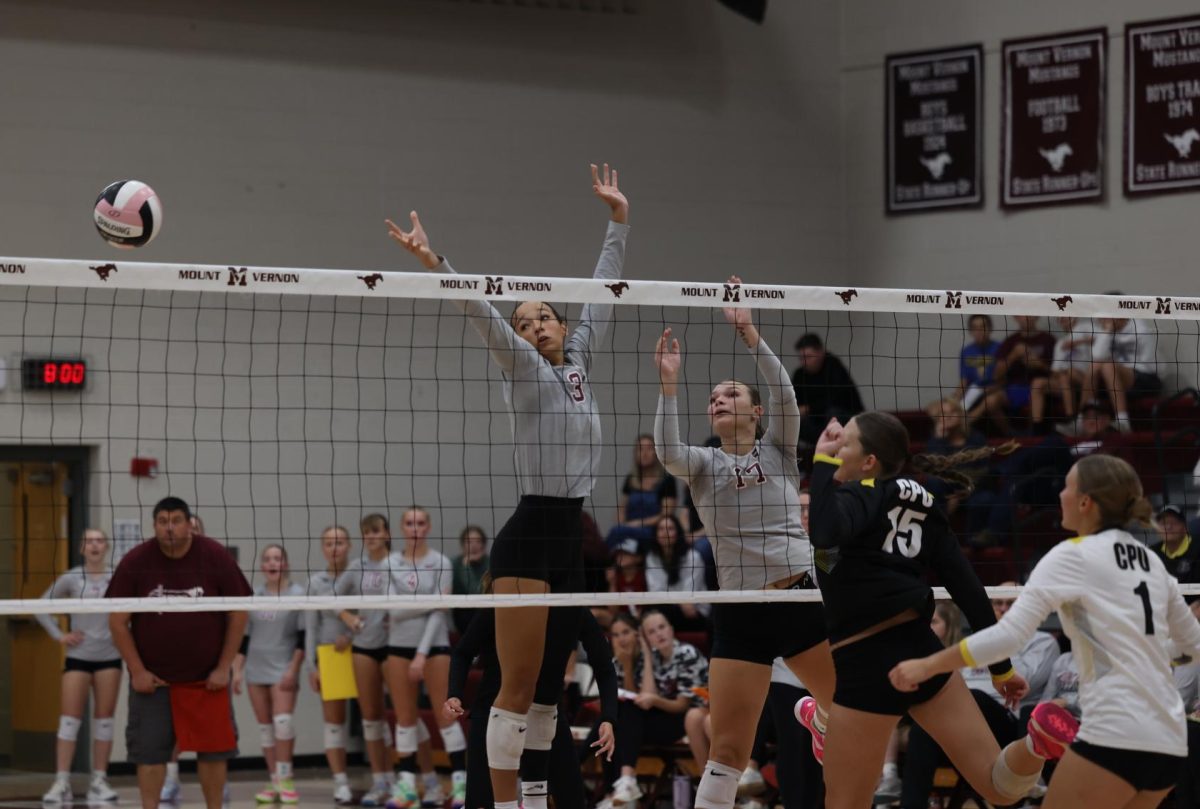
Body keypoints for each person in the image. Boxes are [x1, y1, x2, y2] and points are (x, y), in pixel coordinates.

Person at [387, 162, 628, 809]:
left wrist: (618, 221)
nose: (539, 324)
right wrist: (437, 261)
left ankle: (535, 797)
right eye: (528, 321)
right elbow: (480, 312)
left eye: (546, 315)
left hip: (569, 537)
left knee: (549, 689)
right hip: (527, 538)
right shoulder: (521, 368)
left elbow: (604, 294)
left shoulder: (577, 363)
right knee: (516, 688)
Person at [891, 453, 1200, 808]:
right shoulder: (1152, 562)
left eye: (1067, 486)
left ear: (1085, 502)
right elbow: (1191, 646)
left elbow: (1008, 637)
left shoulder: (1072, 556)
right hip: (1170, 740)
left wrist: (928, 665)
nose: (1060, 495)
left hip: (1118, 730)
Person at [806, 413, 1073, 809]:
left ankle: (821, 718)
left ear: (869, 462)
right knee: (999, 787)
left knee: (845, 803)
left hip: (867, 663)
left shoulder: (859, 493)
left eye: (844, 442)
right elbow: (968, 588)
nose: (834, 445)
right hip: (923, 650)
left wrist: (822, 464)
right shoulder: (924, 503)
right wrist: (1001, 668)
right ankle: (1035, 744)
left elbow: (824, 532)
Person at [653, 291, 836, 809]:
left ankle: (820, 720)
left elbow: (784, 393)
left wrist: (750, 335)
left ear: (755, 411)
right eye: (712, 397)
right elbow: (666, 453)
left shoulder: (779, 448)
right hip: (741, 610)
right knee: (729, 746)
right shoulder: (702, 463)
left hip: (799, 599)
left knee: (845, 704)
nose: (717, 400)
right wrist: (669, 385)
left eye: (729, 394)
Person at [105, 497, 251, 809]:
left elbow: (239, 613)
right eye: (162, 521)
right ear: (154, 525)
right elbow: (117, 622)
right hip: (155, 683)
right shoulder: (136, 561)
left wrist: (225, 667)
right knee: (150, 755)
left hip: (207, 680)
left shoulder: (214, 556)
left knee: (214, 753)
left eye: (176, 521)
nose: (169, 528)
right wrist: (137, 671)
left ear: (189, 524)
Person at [445, 601, 617, 809]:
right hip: (493, 712)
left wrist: (608, 717)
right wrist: (454, 693)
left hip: (546, 711)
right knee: (480, 802)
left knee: (571, 799)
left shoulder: (572, 607)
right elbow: (463, 652)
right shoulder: (504, 603)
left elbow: (604, 665)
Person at [37, 528, 121, 805]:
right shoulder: (73, 577)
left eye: (99, 540)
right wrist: (60, 636)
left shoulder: (117, 577)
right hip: (79, 657)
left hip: (109, 657)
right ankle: (61, 781)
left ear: (106, 547)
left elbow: (132, 610)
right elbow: (41, 606)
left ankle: (99, 779)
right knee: (69, 722)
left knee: (105, 722)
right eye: (89, 541)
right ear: (81, 548)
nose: (94, 545)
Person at [383, 507, 458, 809]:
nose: (416, 528)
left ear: (428, 527)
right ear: (403, 527)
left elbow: (442, 614)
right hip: (398, 647)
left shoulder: (440, 562)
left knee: (446, 716)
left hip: (434, 647)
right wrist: (431, 604)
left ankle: (460, 786)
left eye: (421, 522)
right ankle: (406, 789)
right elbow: (393, 610)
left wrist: (422, 654)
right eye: (410, 523)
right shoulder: (390, 562)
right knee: (404, 719)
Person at [606, 611, 710, 806]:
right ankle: (624, 785)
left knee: (618, 725)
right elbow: (644, 697)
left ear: (671, 629)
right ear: (645, 638)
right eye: (652, 632)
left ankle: (615, 789)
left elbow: (681, 706)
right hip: (664, 719)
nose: (659, 634)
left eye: (662, 627)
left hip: (689, 718)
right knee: (621, 718)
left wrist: (654, 701)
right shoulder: (652, 657)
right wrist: (646, 653)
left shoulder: (686, 654)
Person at [334, 513, 401, 807]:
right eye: (366, 532)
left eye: (375, 531)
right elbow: (331, 597)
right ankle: (380, 780)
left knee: (401, 715)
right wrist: (349, 620)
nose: (370, 536)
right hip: (364, 646)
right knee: (371, 718)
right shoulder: (357, 567)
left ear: (386, 533)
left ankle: (406, 777)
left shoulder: (398, 563)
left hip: (396, 646)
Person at [232, 545, 306, 805]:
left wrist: (293, 669)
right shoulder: (255, 596)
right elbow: (245, 638)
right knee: (266, 730)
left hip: (283, 667)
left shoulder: (298, 594)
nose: (272, 563)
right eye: (267, 559)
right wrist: (238, 671)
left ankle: (286, 778)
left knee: (283, 723)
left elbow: (303, 638)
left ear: (285, 563)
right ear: (262, 566)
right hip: (256, 668)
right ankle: (274, 780)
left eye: (277, 558)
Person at [305, 525, 355, 804]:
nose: (334, 548)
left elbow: (370, 617)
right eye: (328, 543)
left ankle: (385, 778)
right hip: (331, 657)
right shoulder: (316, 582)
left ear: (349, 546)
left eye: (340, 542)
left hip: (363, 652)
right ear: (322, 548)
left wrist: (349, 636)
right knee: (334, 723)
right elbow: (311, 628)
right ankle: (341, 783)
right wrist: (311, 667)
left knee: (375, 718)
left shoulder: (359, 577)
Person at [985, 315, 1057, 435]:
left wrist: (1039, 365)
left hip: (1039, 389)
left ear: (1037, 316)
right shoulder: (1011, 341)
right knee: (991, 402)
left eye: (1030, 314)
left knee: (1035, 394)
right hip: (1013, 388)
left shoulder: (1048, 340)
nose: (1027, 318)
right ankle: (1010, 435)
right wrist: (1014, 355)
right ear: (1016, 317)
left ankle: (1032, 437)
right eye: (1023, 315)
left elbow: (1057, 373)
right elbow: (996, 375)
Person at [606, 435, 677, 553]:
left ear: (656, 452)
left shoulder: (667, 480)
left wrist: (637, 524)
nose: (645, 453)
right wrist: (622, 524)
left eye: (649, 448)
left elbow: (666, 513)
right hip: (628, 528)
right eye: (640, 449)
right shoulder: (631, 479)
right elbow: (622, 508)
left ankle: (604, 565)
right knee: (617, 531)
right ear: (635, 454)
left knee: (617, 532)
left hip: (654, 530)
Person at [791, 332, 864, 446]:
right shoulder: (799, 375)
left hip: (844, 418)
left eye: (808, 357)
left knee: (833, 414)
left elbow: (837, 400)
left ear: (821, 352)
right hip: (816, 424)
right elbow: (796, 403)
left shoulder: (833, 366)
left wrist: (809, 408)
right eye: (801, 358)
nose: (804, 362)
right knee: (794, 421)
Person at [1091, 314, 1161, 433]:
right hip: (1117, 375)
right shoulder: (1108, 330)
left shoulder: (1140, 330)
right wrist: (1107, 331)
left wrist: (1121, 368)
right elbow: (1097, 356)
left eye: (1104, 317)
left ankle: (1123, 422)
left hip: (1146, 378)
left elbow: (1149, 366)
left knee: (1108, 366)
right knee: (1094, 366)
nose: (1101, 321)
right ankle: (1082, 419)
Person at [644, 514, 709, 631]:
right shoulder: (652, 557)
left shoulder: (693, 556)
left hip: (695, 609)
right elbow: (656, 590)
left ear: (678, 532)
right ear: (656, 534)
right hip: (671, 606)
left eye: (670, 528)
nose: (665, 533)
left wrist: (679, 601)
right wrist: (679, 601)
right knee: (651, 611)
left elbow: (689, 593)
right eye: (661, 529)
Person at [1049, 316, 1095, 428]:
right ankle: (1072, 419)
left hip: (1088, 376)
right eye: (1060, 319)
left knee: (1068, 373)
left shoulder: (1085, 327)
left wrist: (1076, 343)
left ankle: (1077, 419)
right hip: (1066, 377)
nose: (1063, 321)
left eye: (1066, 318)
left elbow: (1100, 338)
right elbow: (1054, 370)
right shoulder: (1060, 343)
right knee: (1064, 377)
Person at [954, 314, 1000, 416]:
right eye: (975, 328)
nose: (979, 331)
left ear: (990, 328)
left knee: (990, 401)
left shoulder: (1000, 348)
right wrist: (954, 401)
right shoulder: (966, 351)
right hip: (973, 392)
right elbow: (963, 382)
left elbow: (1005, 380)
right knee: (939, 407)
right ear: (970, 331)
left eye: (983, 327)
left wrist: (990, 389)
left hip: (994, 391)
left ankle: (967, 423)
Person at [1153, 504, 1200, 599]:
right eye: (1163, 523)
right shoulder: (1152, 553)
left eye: (1174, 523)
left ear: (1185, 527)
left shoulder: (1197, 548)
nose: (1168, 527)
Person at [451, 525, 490, 635]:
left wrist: (466, 567)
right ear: (463, 545)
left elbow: (477, 594)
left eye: (477, 541)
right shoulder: (454, 563)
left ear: (483, 544)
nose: (474, 546)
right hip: (462, 613)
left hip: (485, 611)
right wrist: (465, 565)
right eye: (469, 542)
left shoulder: (489, 564)